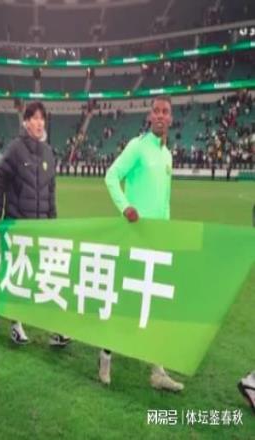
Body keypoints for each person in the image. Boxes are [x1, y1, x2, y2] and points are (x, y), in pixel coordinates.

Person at [103, 95, 184, 392]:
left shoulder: (167, 156)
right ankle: (105, 356)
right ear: (150, 116)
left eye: (166, 111)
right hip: (135, 238)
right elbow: (111, 176)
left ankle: (157, 371)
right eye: (156, 111)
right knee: (126, 301)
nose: (161, 115)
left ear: (171, 118)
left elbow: (164, 202)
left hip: (157, 242)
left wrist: (167, 233)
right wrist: (125, 207)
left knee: (156, 305)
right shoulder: (137, 147)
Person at [0, 101, 70, 347]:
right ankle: (16, 325)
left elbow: (51, 191)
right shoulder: (15, 149)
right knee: (20, 278)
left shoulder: (48, 152)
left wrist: (53, 222)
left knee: (47, 277)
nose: (39, 122)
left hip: (42, 228)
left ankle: (56, 329)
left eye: (42, 118)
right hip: (19, 227)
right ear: (26, 122)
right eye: (34, 118)